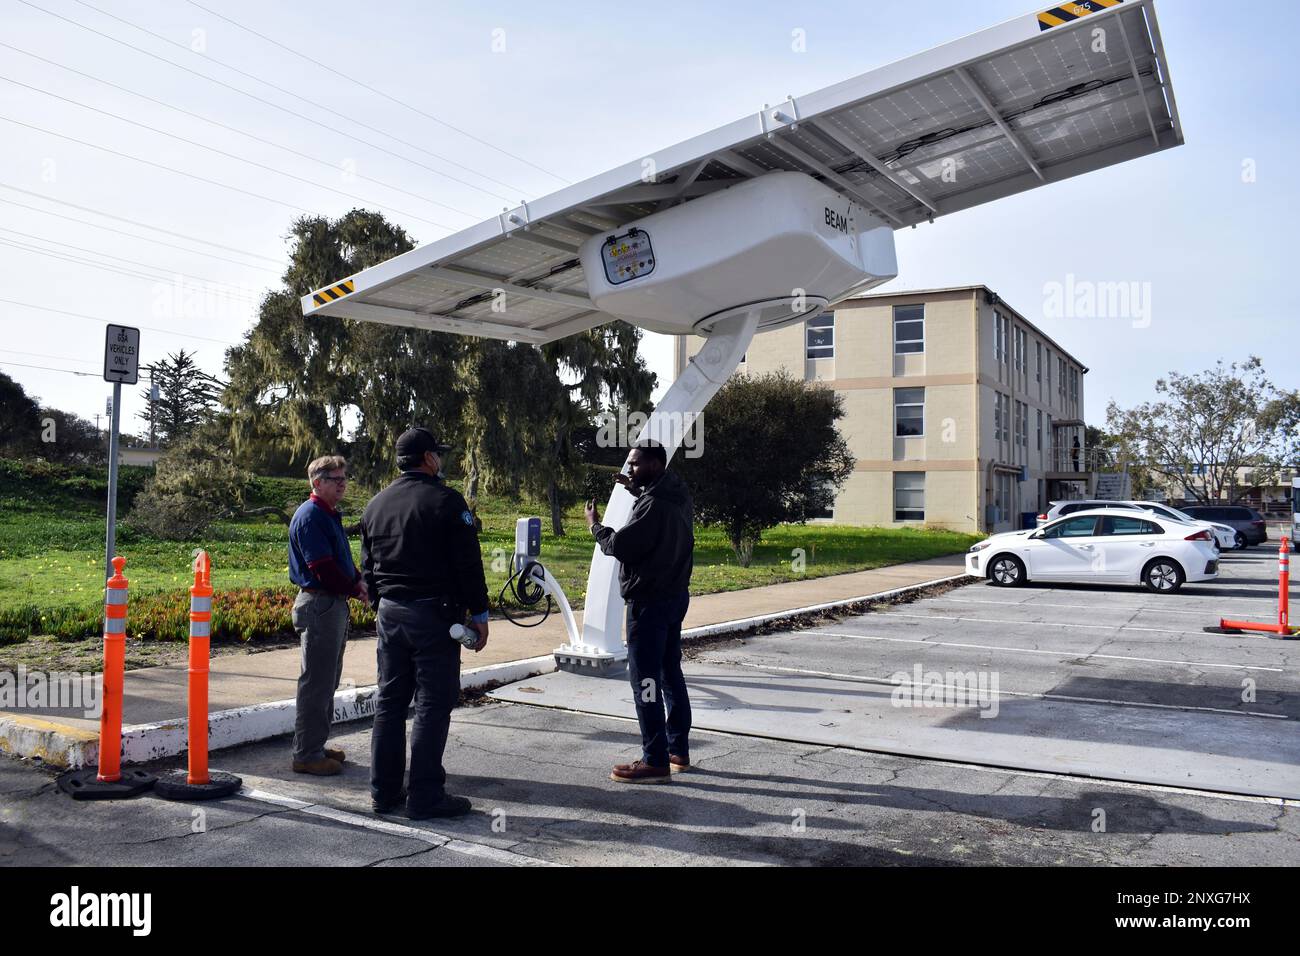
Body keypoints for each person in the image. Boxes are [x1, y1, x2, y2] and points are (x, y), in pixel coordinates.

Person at [360, 427, 489, 819]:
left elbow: (368, 568)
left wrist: (383, 605)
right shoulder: (447, 502)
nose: (441, 461)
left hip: (391, 615)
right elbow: (468, 564)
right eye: (438, 454)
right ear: (428, 459)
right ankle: (426, 795)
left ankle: (384, 792)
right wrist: (480, 615)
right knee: (433, 704)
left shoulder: (376, 504)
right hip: (433, 616)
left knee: (390, 702)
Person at [585, 441, 694, 784]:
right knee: (669, 674)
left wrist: (594, 525)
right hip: (674, 597)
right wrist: (636, 490)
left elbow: (620, 545)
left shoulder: (655, 504)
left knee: (645, 681)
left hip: (648, 605)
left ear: (656, 464)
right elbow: (655, 522)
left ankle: (654, 760)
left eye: (635, 465)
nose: (629, 469)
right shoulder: (677, 494)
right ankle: (677, 750)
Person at [288, 455, 367, 776]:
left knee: (327, 680)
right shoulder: (311, 517)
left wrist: (357, 579)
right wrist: (355, 588)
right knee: (316, 683)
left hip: (331, 603)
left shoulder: (327, 514)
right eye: (336, 479)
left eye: (344, 477)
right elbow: (322, 568)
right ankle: (306, 754)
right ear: (317, 482)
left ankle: (315, 746)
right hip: (320, 603)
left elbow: (341, 560)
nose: (343, 483)